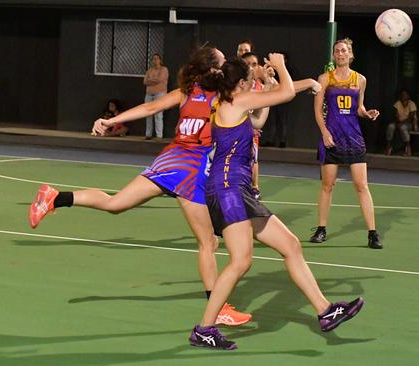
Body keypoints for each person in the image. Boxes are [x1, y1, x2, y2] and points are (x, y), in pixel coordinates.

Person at [28, 46, 251, 326]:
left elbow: (151, 107)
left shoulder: (186, 92)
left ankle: (55, 197)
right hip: (190, 170)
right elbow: (152, 107)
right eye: (222, 62)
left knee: (115, 203)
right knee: (208, 242)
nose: (226, 65)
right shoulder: (223, 97)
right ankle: (218, 308)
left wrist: (112, 120)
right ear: (214, 71)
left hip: (169, 160)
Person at [188, 55, 363, 350]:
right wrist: (282, 66)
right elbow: (283, 94)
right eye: (251, 77)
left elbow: (260, 119)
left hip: (236, 188)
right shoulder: (237, 101)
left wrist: (286, 83)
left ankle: (325, 311)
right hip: (228, 188)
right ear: (242, 83)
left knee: (291, 245)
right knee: (241, 260)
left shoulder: (235, 102)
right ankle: (204, 329)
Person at [309, 38, 382, 250]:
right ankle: (321, 229)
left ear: (350, 55)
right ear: (334, 55)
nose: (340, 54)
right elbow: (317, 110)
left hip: (353, 138)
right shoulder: (324, 79)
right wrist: (324, 133)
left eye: (344, 51)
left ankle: (372, 233)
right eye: (337, 51)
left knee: (361, 186)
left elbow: (358, 108)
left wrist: (367, 113)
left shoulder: (360, 80)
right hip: (331, 138)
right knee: (327, 185)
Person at [241, 51, 266, 200]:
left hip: (250, 131)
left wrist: (269, 84)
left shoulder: (261, 87)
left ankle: (254, 187)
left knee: (253, 158)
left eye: (254, 64)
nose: (251, 67)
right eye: (247, 64)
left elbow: (259, 118)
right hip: (231, 132)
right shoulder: (235, 85)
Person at [143, 53, 168, 140]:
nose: (155, 60)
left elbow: (160, 79)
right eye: (153, 59)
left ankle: (159, 136)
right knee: (148, 114)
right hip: (149, 95)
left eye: (157, 58)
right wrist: (153, 80)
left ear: (160, 60)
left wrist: (151, 80)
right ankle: (148, 134)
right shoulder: (149, 70)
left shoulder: (164, 69)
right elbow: (145, 82)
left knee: (158, 115)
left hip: (160, 94)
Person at [386, 90, 418, 156]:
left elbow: (411, 117)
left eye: (405, 94)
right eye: (402, 94)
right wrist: (398, 122)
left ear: (408, 96)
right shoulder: (397, 103)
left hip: (408, 123)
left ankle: (408, 147)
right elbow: (395, 115)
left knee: (403, 128)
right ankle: (389, 146)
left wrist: (402, 123)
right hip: (398, 122)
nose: (404, 96)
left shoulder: (412, 104)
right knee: (390, 127)